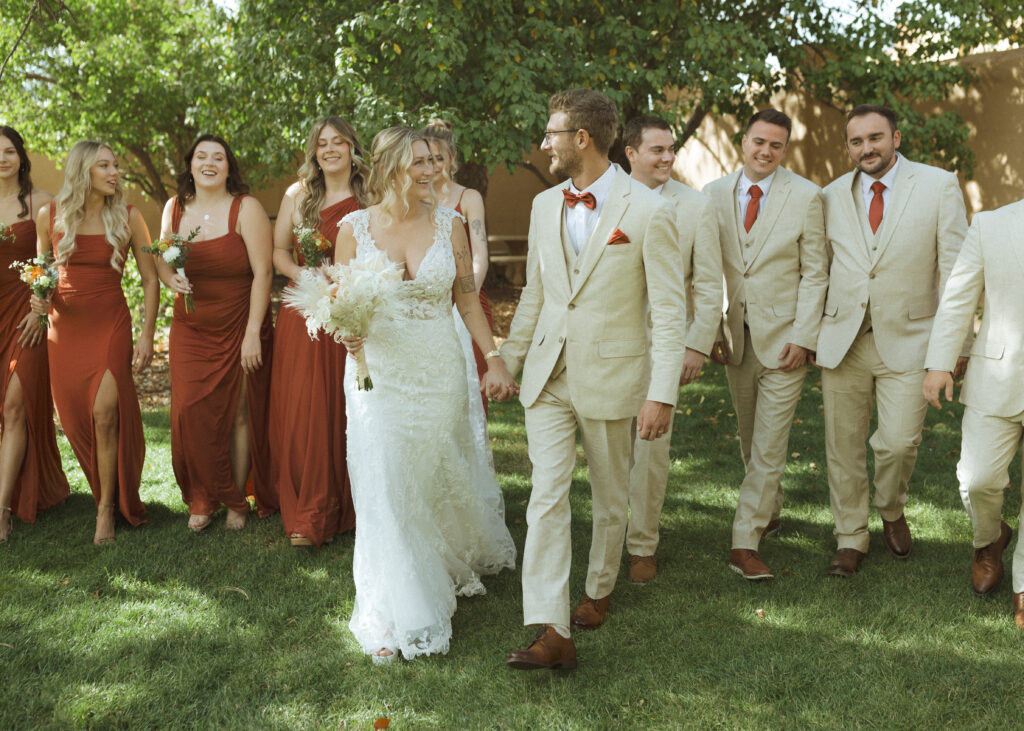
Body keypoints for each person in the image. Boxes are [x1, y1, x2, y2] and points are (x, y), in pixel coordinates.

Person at [501, 89, 686, 671]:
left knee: (610, 498)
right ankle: (551, 629)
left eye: (552, 133)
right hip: (548, 376)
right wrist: (507, 359)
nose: (544, 144)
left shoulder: (650, 211)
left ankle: (598, 588)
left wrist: (662, 393)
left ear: (581, 138)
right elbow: (535, 292)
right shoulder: (543, 205)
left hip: (614, 373)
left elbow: (669, 309)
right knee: (546, 497)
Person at [334, 126, 517, 663]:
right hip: (379, 375)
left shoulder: (451, 224)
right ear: (391, 167)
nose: (433, 170)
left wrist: (494, 358)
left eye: (435, 162)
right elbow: (345, 302)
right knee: (385, 480)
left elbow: (466, 300)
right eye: (420, 163)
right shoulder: (353, 229)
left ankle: (435, 558)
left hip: (437, 369)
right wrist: (348, 331)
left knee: (424, 474)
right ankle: (396, 609)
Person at [816, 105, 969, 576]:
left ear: (896, 137)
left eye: (876, 138)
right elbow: (817, 270)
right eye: (857, 141)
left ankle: (890, 507)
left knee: (898, 443)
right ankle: (850, 536)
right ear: (848, 147)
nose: (867, 148)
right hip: (844, 338)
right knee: (842, 446)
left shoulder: (939, 185)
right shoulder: (829, 196)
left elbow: (957, 275)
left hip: (911, 337)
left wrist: (953, 348)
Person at [703, 109, 827, 581]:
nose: (765, 152)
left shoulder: (807, 196)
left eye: (776, 145)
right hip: (735, 337)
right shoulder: (712, 195)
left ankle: (744, 541)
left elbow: (816, 272)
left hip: (785, 341)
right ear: (743, 142)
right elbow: (705, 268)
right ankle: (769, 507)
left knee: (771, 445)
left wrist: (805, 335)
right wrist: (711, 330)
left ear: (785, 149)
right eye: (759, 142)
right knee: (750, 437)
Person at [31, 140, 159, 544]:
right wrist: (39, 298)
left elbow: (151, 278)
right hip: (64, 328)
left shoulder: (129, 216)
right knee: (73, 419)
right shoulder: (48, 215)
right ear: (82, 170)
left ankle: (105, 510)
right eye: (104, 165)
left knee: (105, 414)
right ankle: (106, 488)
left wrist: (146, 335)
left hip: (110, 322)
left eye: (115, 165)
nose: (114, 172)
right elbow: (42, 273)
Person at [622, 114, 723, 583]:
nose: (667, 158)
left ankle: (642, 544)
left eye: (671, 150)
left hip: (662, 346)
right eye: (657, 150)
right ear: (630, 153)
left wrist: (696, 345)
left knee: (650, 449)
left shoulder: (696, 206)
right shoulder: (606, 198)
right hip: (605, 343)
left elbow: (708, 285)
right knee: (605, 447)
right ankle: (607, 532)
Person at [155, 135, 274, 532]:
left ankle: (237, 500)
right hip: (190, 327)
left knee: (238, 413)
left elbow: (264, 273)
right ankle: (203, 496)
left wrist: (253, 333)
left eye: (218, 157)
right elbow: (162, 263)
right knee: (190, 412)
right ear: (189, 165)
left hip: (238, 322)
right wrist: (172, 279)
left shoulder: (246, 208)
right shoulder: (173, 209)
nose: (209, 163)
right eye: (201, 156)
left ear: (228, 167)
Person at [923, 197, 1024, 628]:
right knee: (976, 479)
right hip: (997, 376)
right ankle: (989, 539)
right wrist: (940, 362)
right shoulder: (991, 224)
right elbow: (958, 295)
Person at [269, 117, 365, 547]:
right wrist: (305, 276)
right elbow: (277, 252)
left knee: (344, 403)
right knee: (306, 407)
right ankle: (309, 507)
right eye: (322, 143)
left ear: (351, 148)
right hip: (303, 312)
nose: (330, 150)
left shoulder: (371, 195)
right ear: (314, 151)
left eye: (338, 142)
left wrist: (345, 288)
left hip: (350, 310)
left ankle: (349, 502)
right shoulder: (298, 195)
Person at [0, 126, 70, 541]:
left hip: (26, 317)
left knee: (14, 405)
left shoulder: (41, 203)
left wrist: (40, 307)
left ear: (21, 157)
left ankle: (3, 511)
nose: (2, 158)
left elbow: (56, 262)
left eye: (9, 151)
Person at [421, 119, 493, 417]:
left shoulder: (469, 197)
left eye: (439, 158)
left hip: (467, 297)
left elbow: (480, 254)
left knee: (468, 383)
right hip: (428, 300)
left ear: (452, 158)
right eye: (426, 159)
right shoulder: (415, 200)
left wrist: (466, 298)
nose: (434, 165)